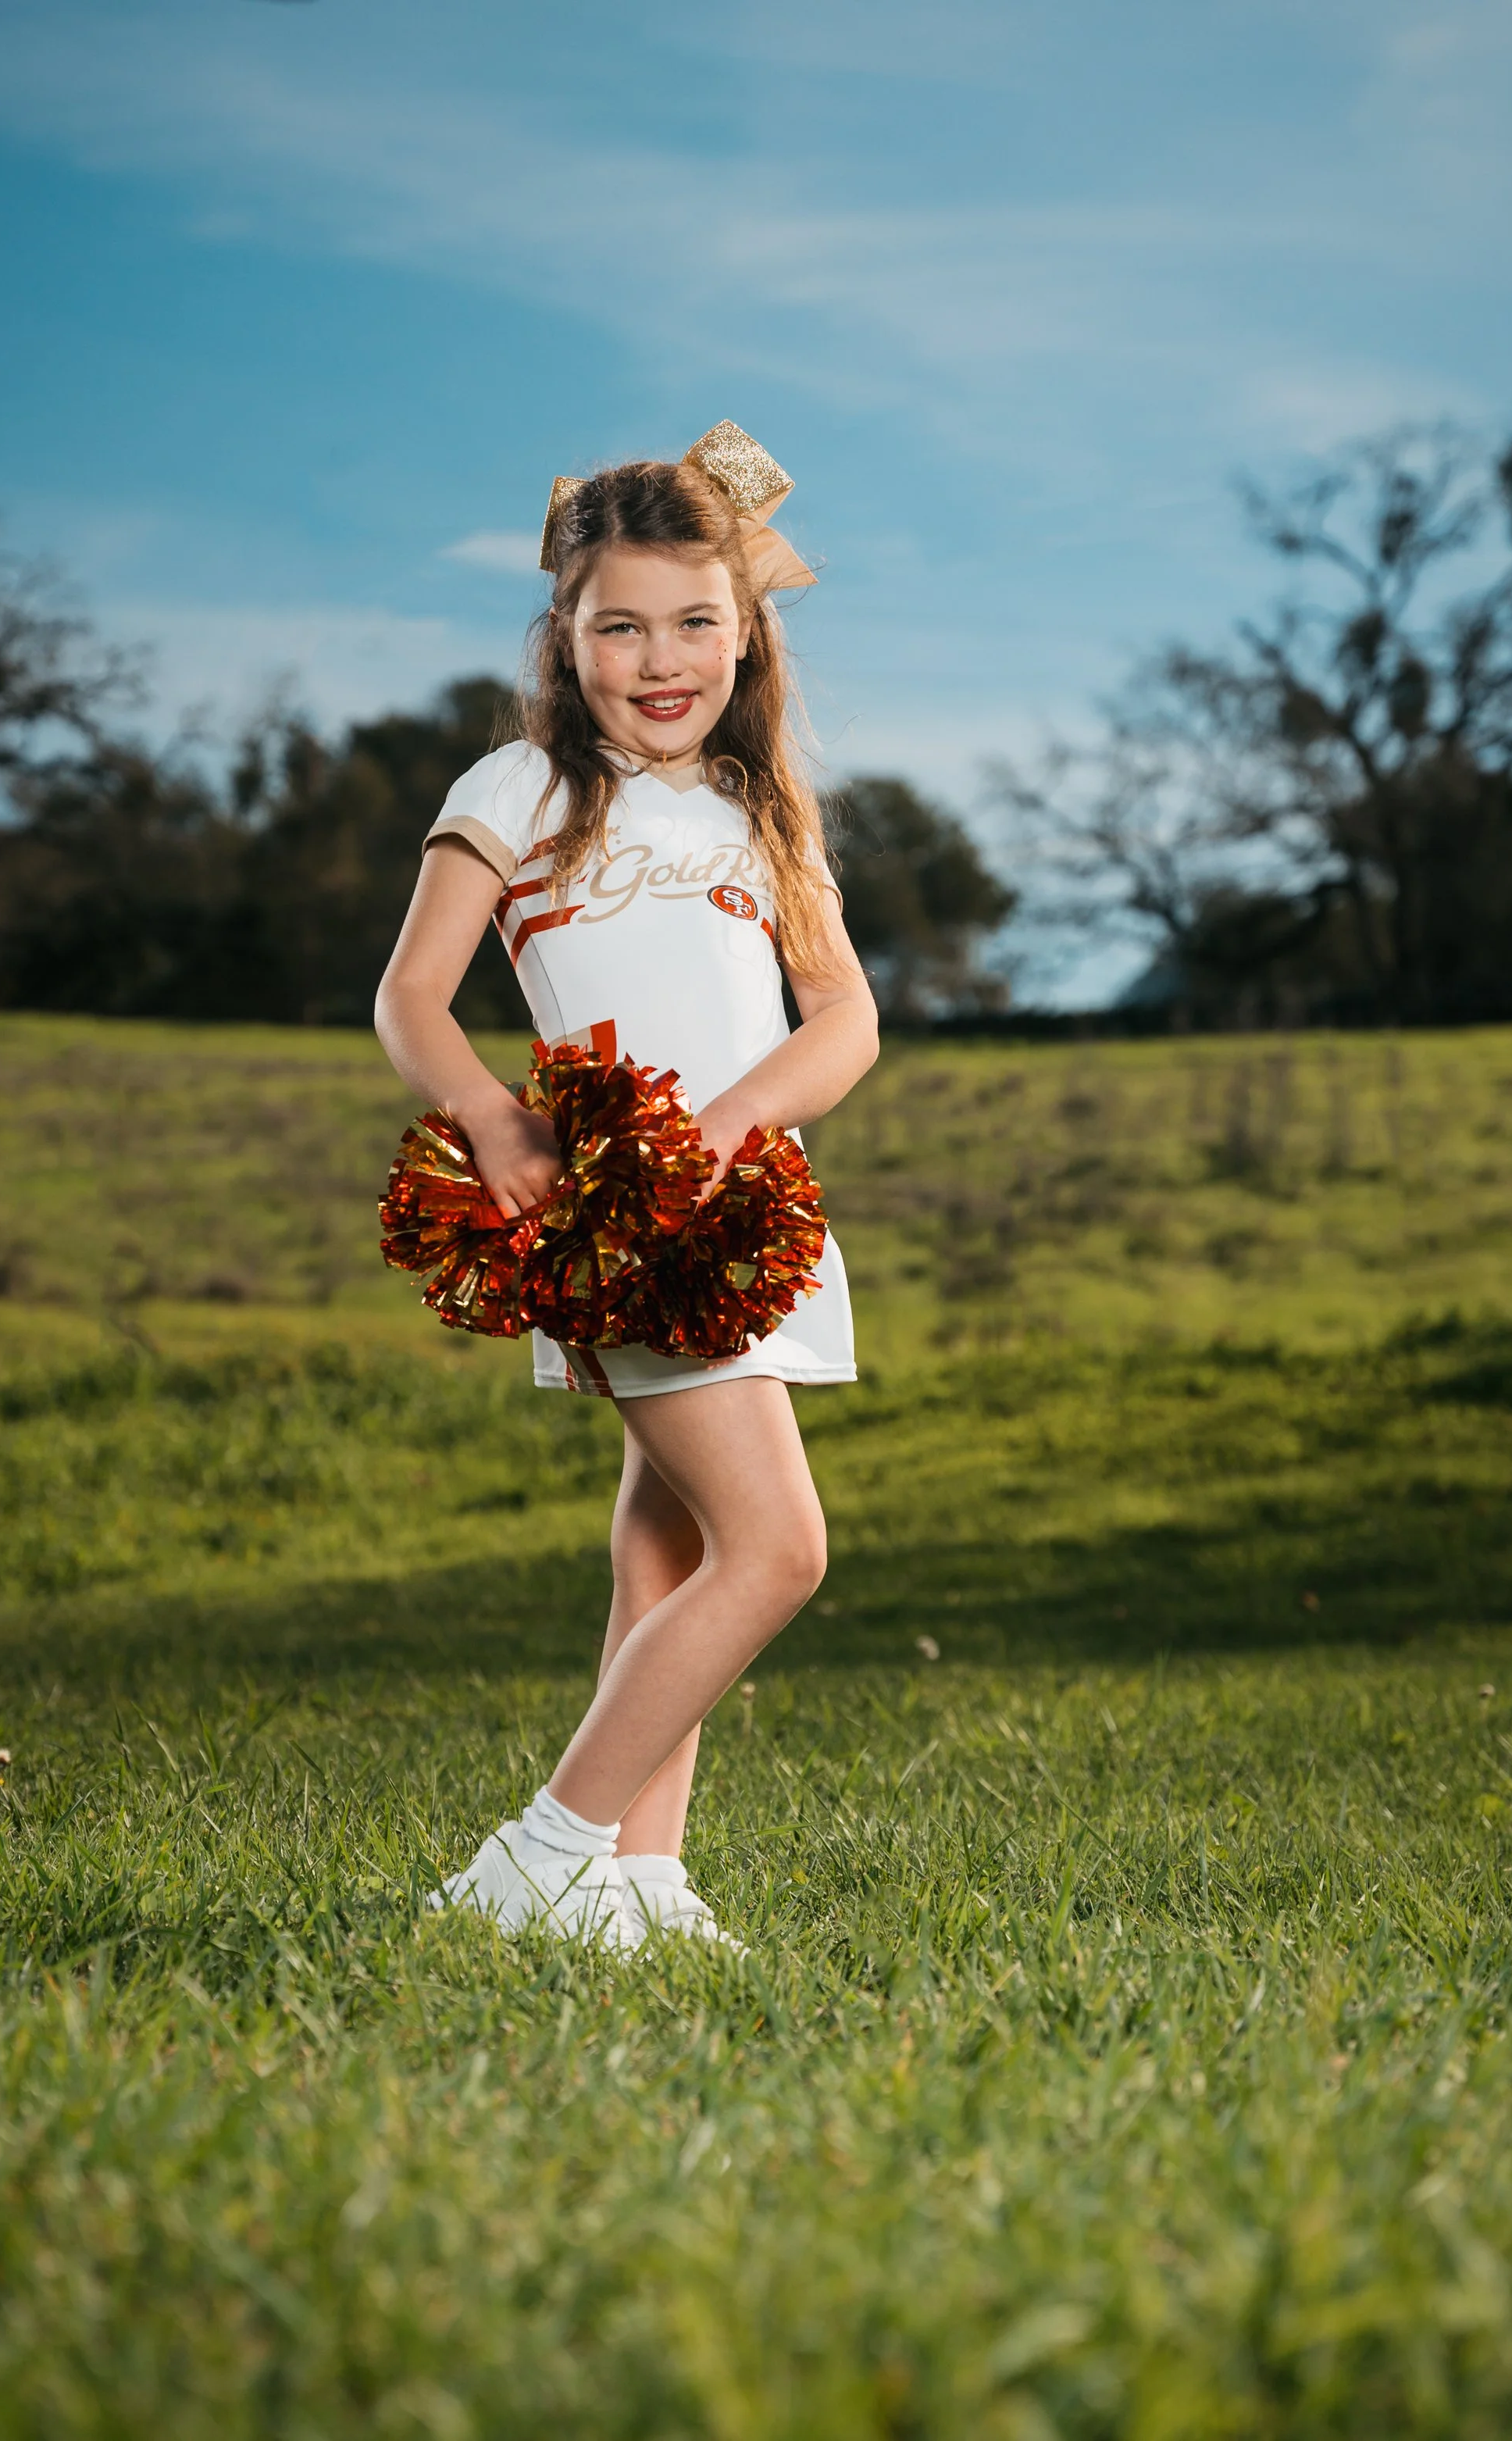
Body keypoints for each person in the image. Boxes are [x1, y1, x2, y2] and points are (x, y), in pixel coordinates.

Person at [374, 423, 879, 1949]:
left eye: (693, 622)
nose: (658, 659)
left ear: (746, 631)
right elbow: (409, 995)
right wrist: (490, 1118)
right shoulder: (523, 785)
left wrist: (727, 1127)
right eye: (618, 624)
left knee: (666, 1538)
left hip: (737, 1213)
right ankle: (532, 1862)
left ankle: (638, 1884)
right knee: (778, 1548)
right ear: (564, 633)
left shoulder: (763, 807)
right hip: (615, 1222)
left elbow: (843, 1017)